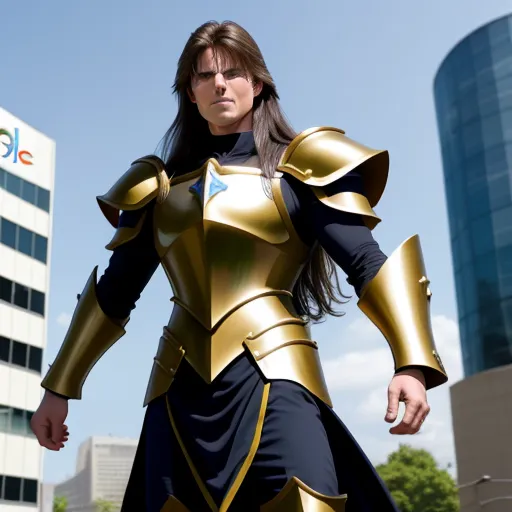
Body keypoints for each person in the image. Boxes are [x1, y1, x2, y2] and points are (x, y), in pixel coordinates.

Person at [31, 20, 448, 512]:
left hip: (277, 378)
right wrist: (58, 388)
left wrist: (412, 363)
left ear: (258, 81)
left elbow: (365, 261)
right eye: (205, 75)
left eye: (232, 71)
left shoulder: (301, 169)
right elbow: (115, 292)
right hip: (177, 384)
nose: (219, 84)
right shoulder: (157, 189)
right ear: (190, 90)